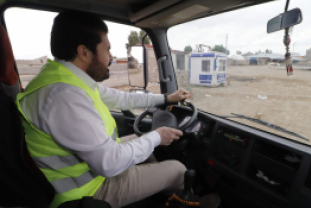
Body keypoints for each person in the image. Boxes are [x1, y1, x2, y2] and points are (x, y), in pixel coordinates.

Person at [16, 10, 191, 208]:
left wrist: (167, 98)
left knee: (145, 137)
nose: (111, 56)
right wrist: (158, 136)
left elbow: (120, 98)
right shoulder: (65, 97)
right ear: (84, 53)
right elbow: (110, 164)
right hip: (86, 191)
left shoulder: (64, 78)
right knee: (178, 170)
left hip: (90, 169)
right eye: (107, 49)